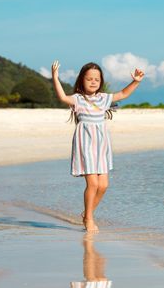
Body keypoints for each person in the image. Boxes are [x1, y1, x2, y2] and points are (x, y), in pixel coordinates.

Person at [52, 60, 144, 233]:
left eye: (97, 79)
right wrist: (55, 77)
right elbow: (63, 97)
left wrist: (136, 81)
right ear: (81, 81)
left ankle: (87, 214)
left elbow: (123, 94)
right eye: (89, 79)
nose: (93, 81)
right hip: (85, 144)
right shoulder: (78, 99)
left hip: (101, 145)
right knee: (93, 184)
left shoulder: (103, 98)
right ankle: (89, 219)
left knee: (103, 185)